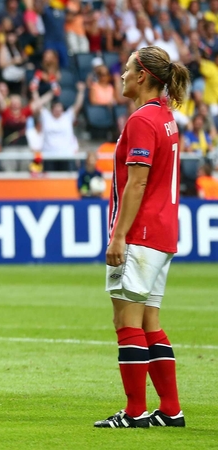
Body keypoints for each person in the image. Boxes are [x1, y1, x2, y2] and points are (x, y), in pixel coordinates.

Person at [95, 46, 190, 429]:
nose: (120, 75)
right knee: (150, 320)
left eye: (126, 69)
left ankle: (134, 412)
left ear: (141, 76)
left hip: (141, 234)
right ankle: (170, 410)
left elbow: (137, 183)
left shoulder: (141, 120)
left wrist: (118, 236)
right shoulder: (165, 117)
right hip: (163, 232)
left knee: (127, 321)